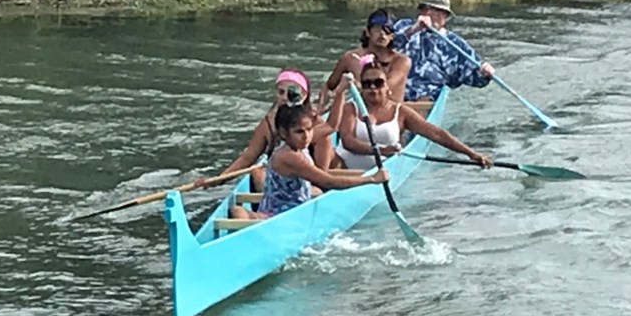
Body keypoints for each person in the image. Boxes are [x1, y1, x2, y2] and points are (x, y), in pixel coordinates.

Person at [230, 103, 389, 220]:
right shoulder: (289, 157)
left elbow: (331, 125)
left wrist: (340, 91)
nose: (306, 136)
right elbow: (329, 181)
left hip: (291, 208)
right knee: (237, 211)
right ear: (284, 133)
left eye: (309, 129)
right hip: (279, 216)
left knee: (317, 192)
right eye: (299, 132)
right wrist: (371, 179)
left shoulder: (299, 146)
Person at [333, 59, 493, 171]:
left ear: (387, 85)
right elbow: (348, 142)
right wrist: (381, 150)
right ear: (361, 87)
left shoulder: (400, 112)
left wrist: (471, 154)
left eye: (378, 83)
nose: (373, 88)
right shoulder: (350, 108)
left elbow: (436, 134)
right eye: (367, 84)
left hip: (380, 172)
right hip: (344, 168)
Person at [208, 67, 346, 192]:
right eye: (281, 92)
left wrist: (340, 93)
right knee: (257, 173)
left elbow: (321, 174)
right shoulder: (267, 123)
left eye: (291, 92)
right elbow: (247, 158)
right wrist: (218, 180)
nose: (285, 97)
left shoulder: (312, 124)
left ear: (304, 96)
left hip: (311, 180)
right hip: (280, 182)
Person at [391, 0, 495, 102]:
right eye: (431, 10)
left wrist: (484, 73)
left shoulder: (454, 43)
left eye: (442, 12)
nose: (436, 15)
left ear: (446, 17)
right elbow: (388, 45)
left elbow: (474, 76)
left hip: (427, 98)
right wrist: (414, 29)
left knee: (424, 101)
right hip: (393, 93)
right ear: (422, 11)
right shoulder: (404, 26)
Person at [317, 8, 411, 108]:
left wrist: (358, 85)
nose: (382, 34)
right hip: (360, 115)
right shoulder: (350, 58)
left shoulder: (401, 61)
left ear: (392, 36)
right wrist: (320, 107)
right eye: (377, 29)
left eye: (387, 30)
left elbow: (384, 87)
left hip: (392, 116)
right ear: (367, 32)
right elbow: (329, 86)